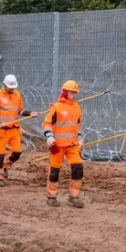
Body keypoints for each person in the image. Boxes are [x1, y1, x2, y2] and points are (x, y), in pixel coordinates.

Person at [42, 80, 85, 208]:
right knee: (54, 171)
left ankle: (74, 196)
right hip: (58, 146)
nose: (74, 95)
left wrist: (80, 138)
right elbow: (46, 123)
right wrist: (49, 136)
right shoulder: (56, 107)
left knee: (78, 169)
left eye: (75, 93)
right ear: (65, 92)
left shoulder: (77, 107)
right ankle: (51, 197)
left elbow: (78, 126)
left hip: (72, 145)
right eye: (72, 92)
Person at [0, 74, 33, 186]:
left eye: (13, 87)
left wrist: (30, 113)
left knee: (17, 152)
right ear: (4, 85)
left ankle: (4, 166)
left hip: (14, 129)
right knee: (0, 154)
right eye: (10, 87)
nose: (12, 88)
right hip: (1, 131)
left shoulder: (17, 94)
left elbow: (20, 110)